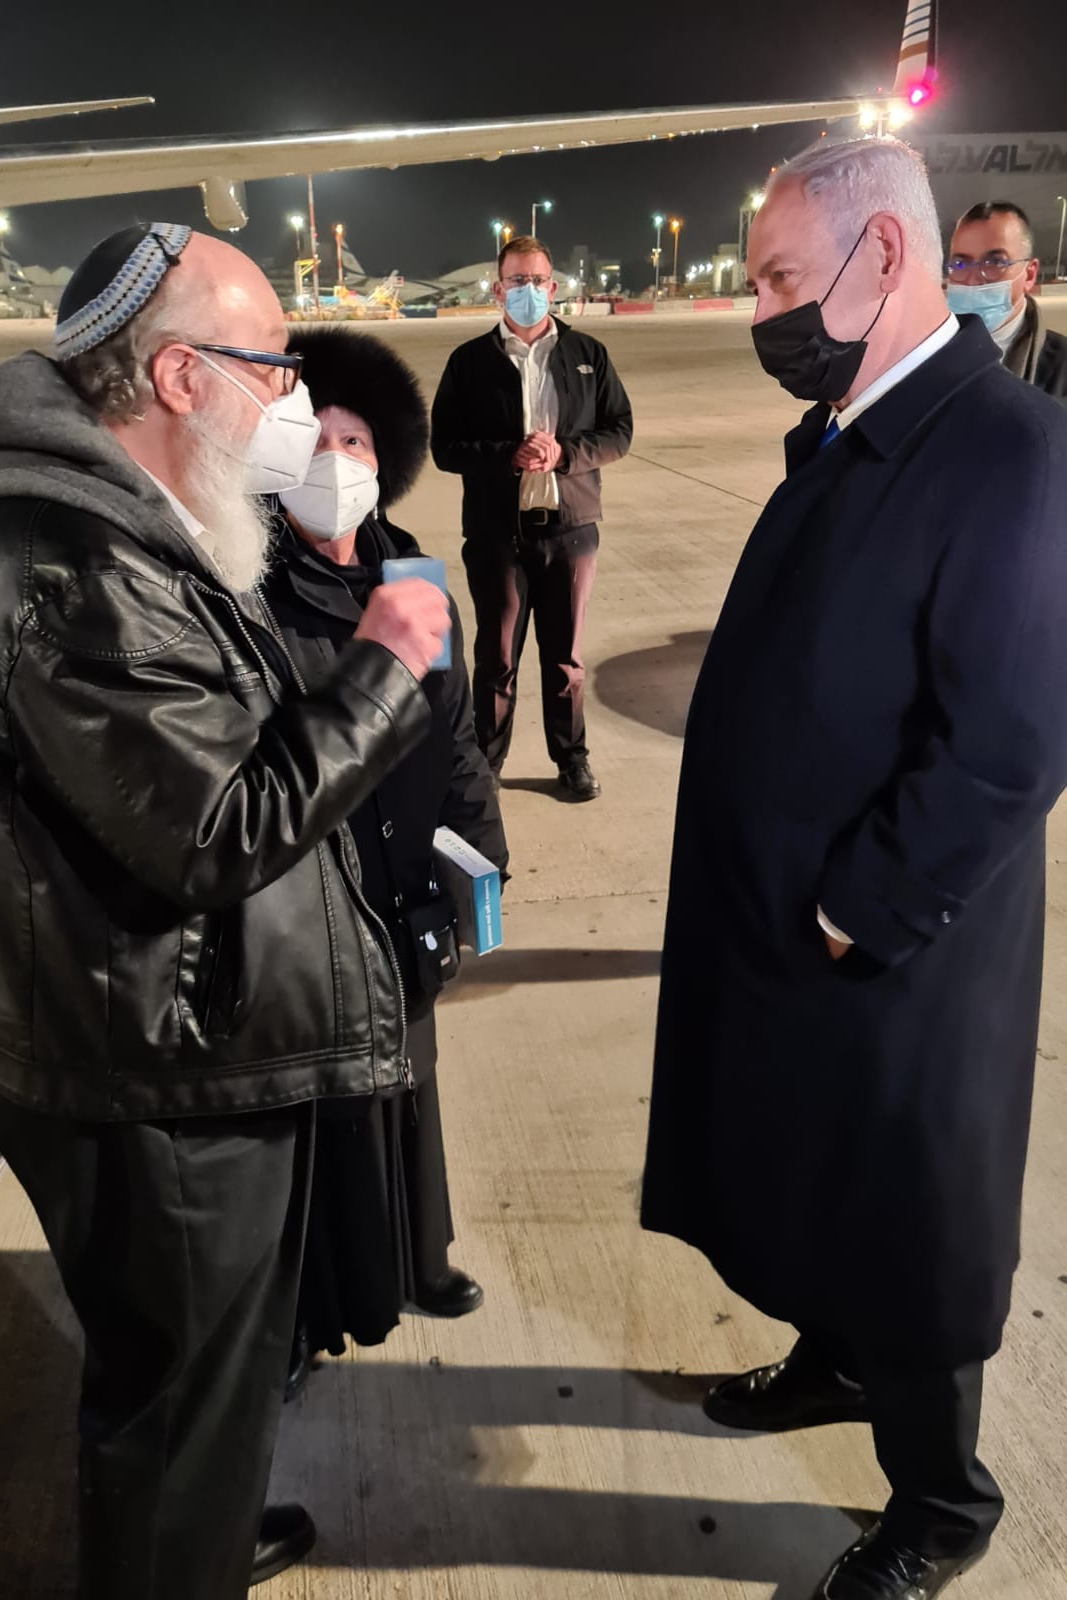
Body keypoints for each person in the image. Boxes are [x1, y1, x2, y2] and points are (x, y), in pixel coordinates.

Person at [0, 223, 451, 1600]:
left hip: (143, 1032)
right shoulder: (71, 563)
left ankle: (193, 1526)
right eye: (273, 368)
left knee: (192, 1392)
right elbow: (217, 826)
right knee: (174, 1399)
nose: (290, 404)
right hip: (151, 1072)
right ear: (184, 374)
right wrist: (383, 666)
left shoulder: (103, 512)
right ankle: (171, 1555)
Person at [641, 137, 1067, 1600]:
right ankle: (835, 1363)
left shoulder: (1007, 450)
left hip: (894, 945)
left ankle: (943, 1505)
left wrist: (848, 908)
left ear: (883, 259)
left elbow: (1012, 741)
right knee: (818, 1173)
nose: (758, 309)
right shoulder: (855, 428)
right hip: (802, 924)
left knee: (908, 1213)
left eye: (775, 278)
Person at [259, 327, 507, 1395]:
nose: (335, 457)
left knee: (413, 1077)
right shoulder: (254, 588)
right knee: (327, 1110)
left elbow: (452, 732)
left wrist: (479, 849)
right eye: (314, 435)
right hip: (322, 898)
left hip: (412, 883)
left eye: (355, 438)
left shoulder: (413, 572)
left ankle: (421, 1256)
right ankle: (312, 1311)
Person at [430, 235, 632, 801]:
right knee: (495, 660)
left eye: (537, 280)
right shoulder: (468, 363)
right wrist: (505, 456)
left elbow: (620, 431)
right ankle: (484, 766)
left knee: (565, 659)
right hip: (498, 534)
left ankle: (572, 760)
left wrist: (565, 454)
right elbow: (444, 447)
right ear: (498, 289)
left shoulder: (587, 355)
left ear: (553, 286)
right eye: (516, 281)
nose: (528, 290)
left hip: (571, 531)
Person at [946, 200, 1066, 400]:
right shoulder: (927, 352)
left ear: (1029, 274)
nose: (974, 279)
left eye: (995, 262)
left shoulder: (1061, 368)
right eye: (960, 264)